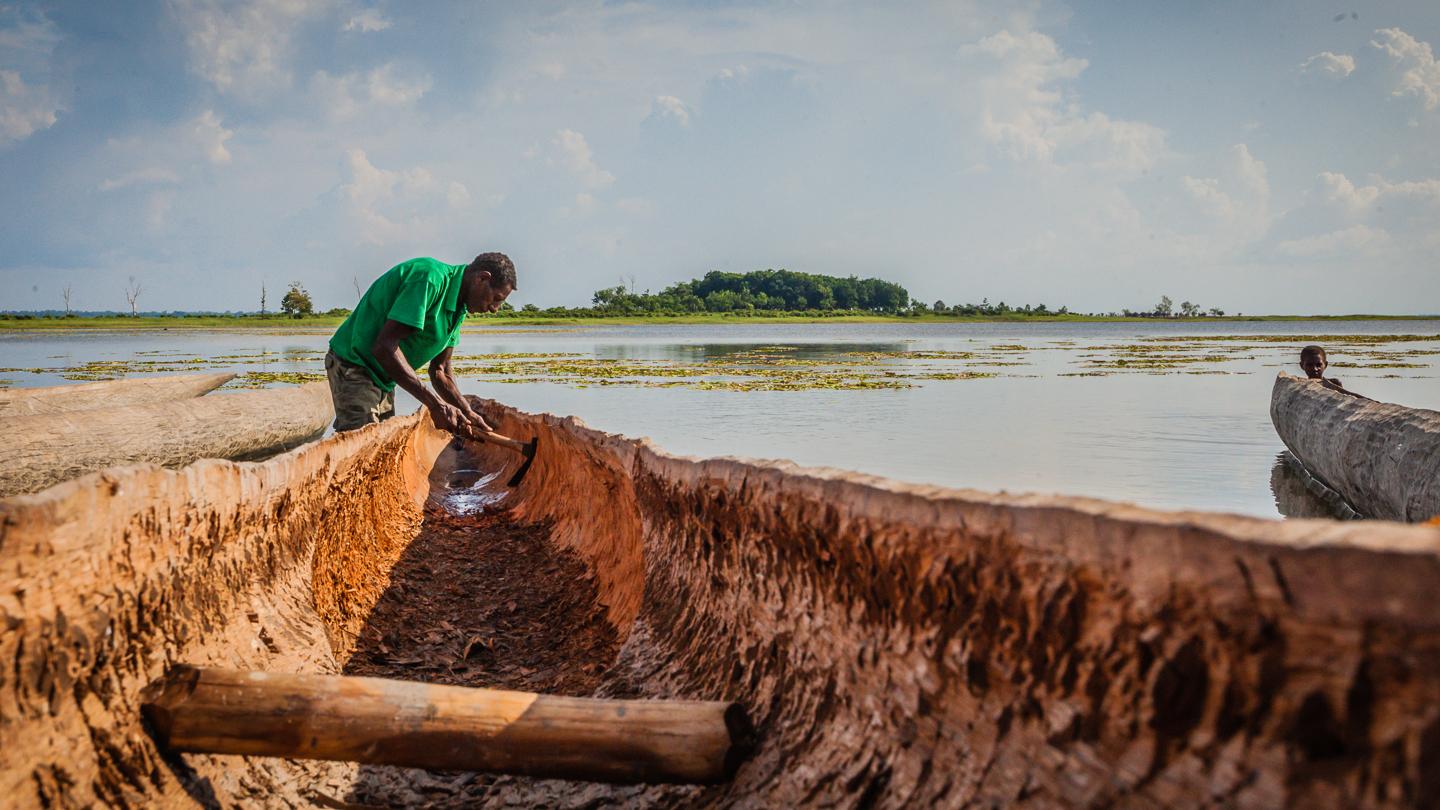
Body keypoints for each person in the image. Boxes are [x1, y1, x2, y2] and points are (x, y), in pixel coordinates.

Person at [326, 253, 515, 434]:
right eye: (496, 299)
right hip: (355, 366)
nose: (494, 309)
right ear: (481, 278)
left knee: (380, 443)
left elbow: (440, 371)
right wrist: (435, 404)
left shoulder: (460, 308)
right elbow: (384, 347)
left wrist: (467, 412)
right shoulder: (429, 279)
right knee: (363, 444)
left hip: (385, 378)